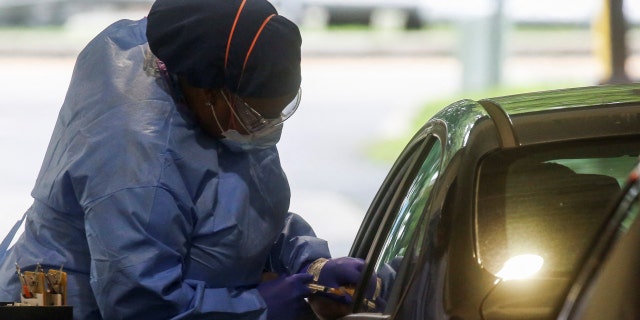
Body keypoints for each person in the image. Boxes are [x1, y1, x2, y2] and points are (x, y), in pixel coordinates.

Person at [0, 0, 368, 319]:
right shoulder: (139, 162)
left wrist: (307, 261)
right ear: (208, 91)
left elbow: (238, 204)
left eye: (277, 114)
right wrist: (257, 307)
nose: (266, 130)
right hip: (52, 292)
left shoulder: (199, 63)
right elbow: (141, 304)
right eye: (256, 117)